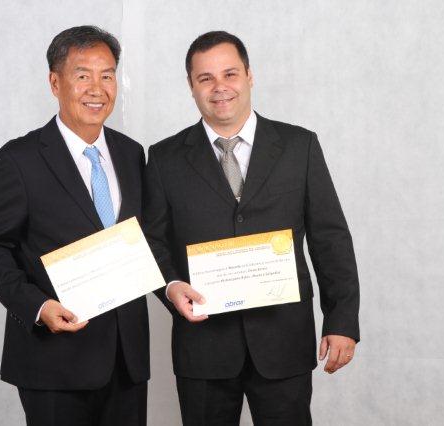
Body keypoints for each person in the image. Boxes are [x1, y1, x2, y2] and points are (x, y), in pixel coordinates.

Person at [143, 31, 360, 425]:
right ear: (190, 85)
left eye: (230, 73)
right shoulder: (163, 159)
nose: (220, 87)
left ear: (249, 76)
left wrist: (342, 321)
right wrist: (171, 286)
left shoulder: (300, 146)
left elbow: (331, 239)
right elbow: (152, 242)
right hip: (204, 347)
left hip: (283, 339)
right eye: (205, 78)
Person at [0, 26, 148, 426]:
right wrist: (37, 306)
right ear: (55, 82)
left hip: (127, 358)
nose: (97, 88)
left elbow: (145, 238)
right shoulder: (20, 159)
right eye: (82, 75)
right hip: (54, 360)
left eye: (107, 75)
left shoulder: (131, 154)